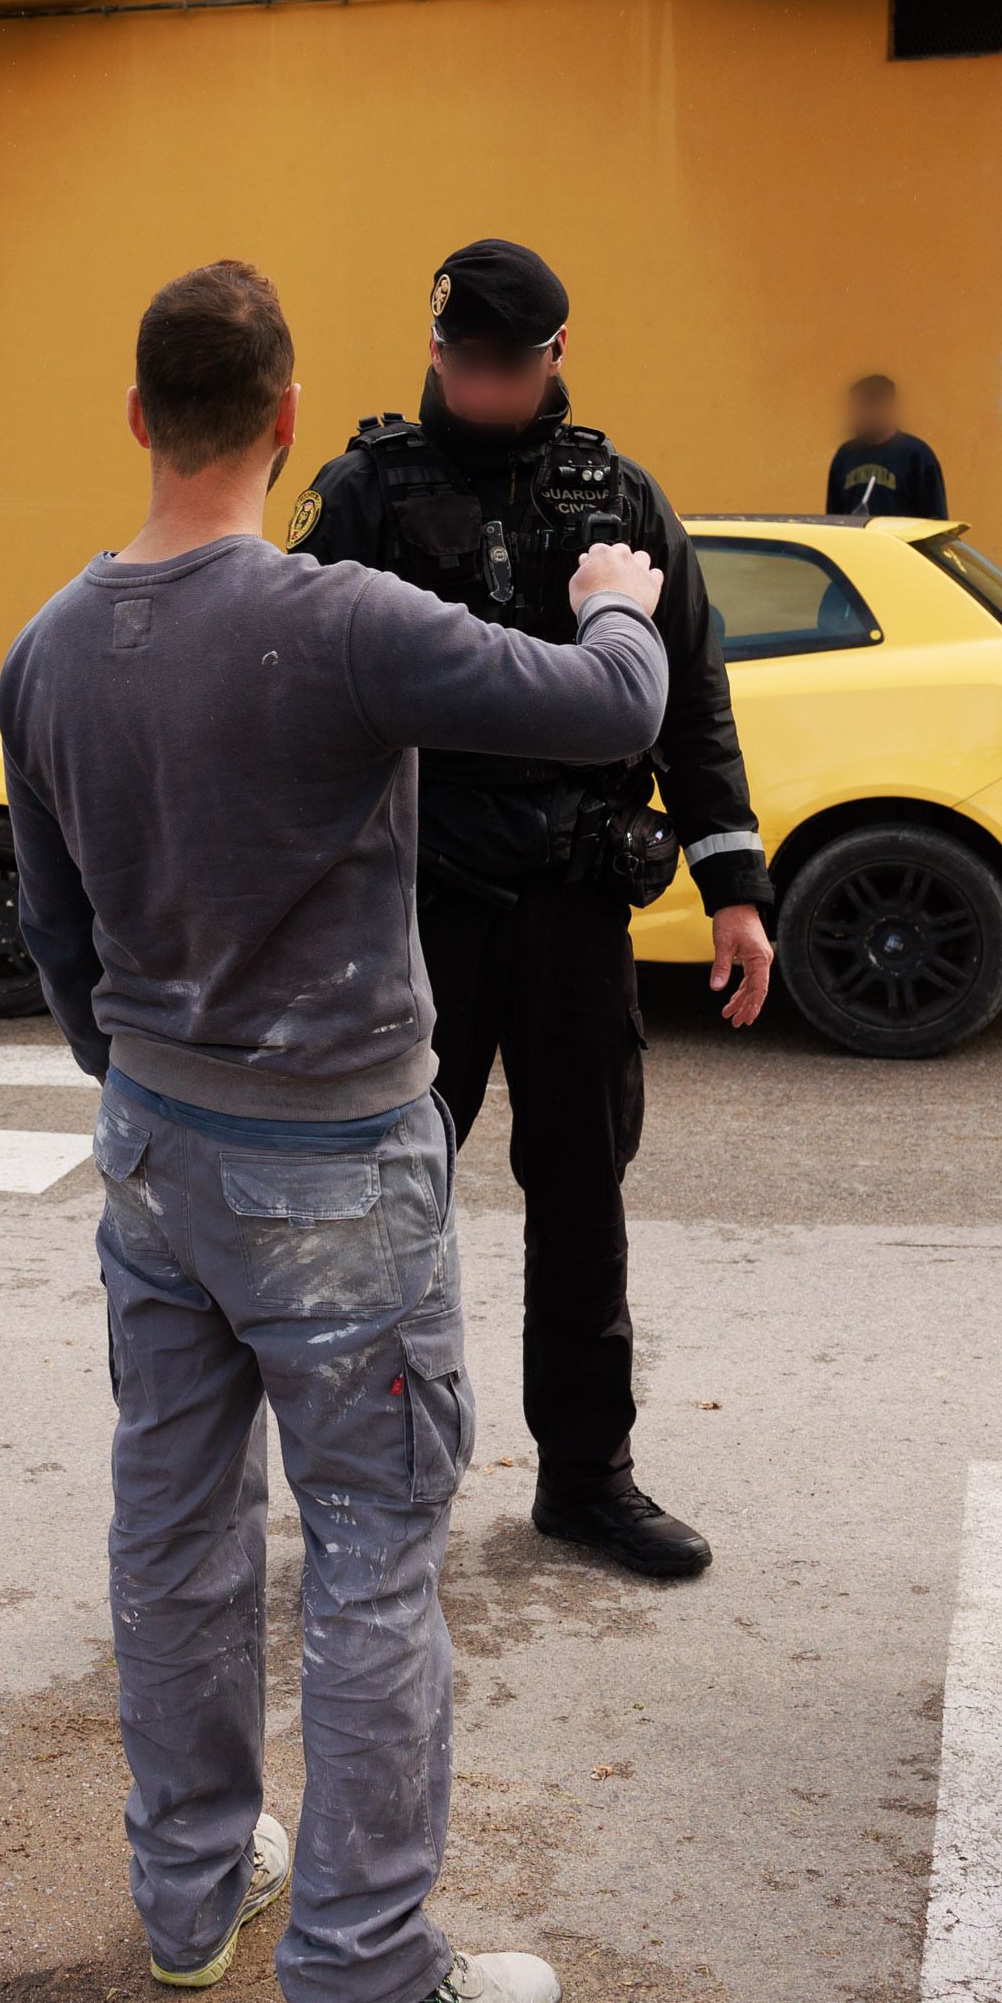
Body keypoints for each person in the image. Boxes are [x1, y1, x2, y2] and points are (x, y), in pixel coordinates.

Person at [2, 260, 671, 2003]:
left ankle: (190, 1889)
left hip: (153, 1146)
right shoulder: (336, 621)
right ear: (288, 420)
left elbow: (55, 942)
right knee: (374, 1559)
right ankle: (366, 1975)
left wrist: (145, 1064)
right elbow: (604, 704)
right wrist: (624, 596)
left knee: (176, 1523)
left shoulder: (48, 648)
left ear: (140, 416)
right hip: (334, 1162)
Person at [291, 239, 769, 1583]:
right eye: (459, 360)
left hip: (570, 912)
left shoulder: (618, 496)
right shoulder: (363, 495)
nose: (481, 384)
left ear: (556, 356)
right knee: (389, 1205)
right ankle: (378, 1487)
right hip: (418, 915)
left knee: (580, 1192)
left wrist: (738, 890)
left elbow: (693, 695)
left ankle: (587, 1477)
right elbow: (300, 703)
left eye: (507, 364)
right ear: (433, 347)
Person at [824, 373, 949, 520]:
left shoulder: (917, 455)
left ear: (881, 407)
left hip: (897, 543)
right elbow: (833, 520)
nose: (855, 417)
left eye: (860, 409)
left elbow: (935, 521)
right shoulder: (844, 456)